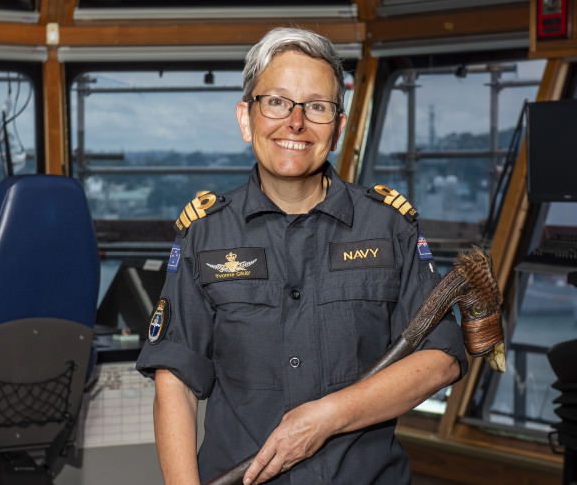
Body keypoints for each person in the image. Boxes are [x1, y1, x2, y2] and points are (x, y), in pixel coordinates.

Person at [136, 27, 467, 485]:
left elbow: (441, 358)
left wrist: (327, 417)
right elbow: (175, 376)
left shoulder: (389, 226)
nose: (295, 123)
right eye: (276, 102)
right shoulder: (204, 233)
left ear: (338, 128)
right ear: (246, 118)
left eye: (316, 107)